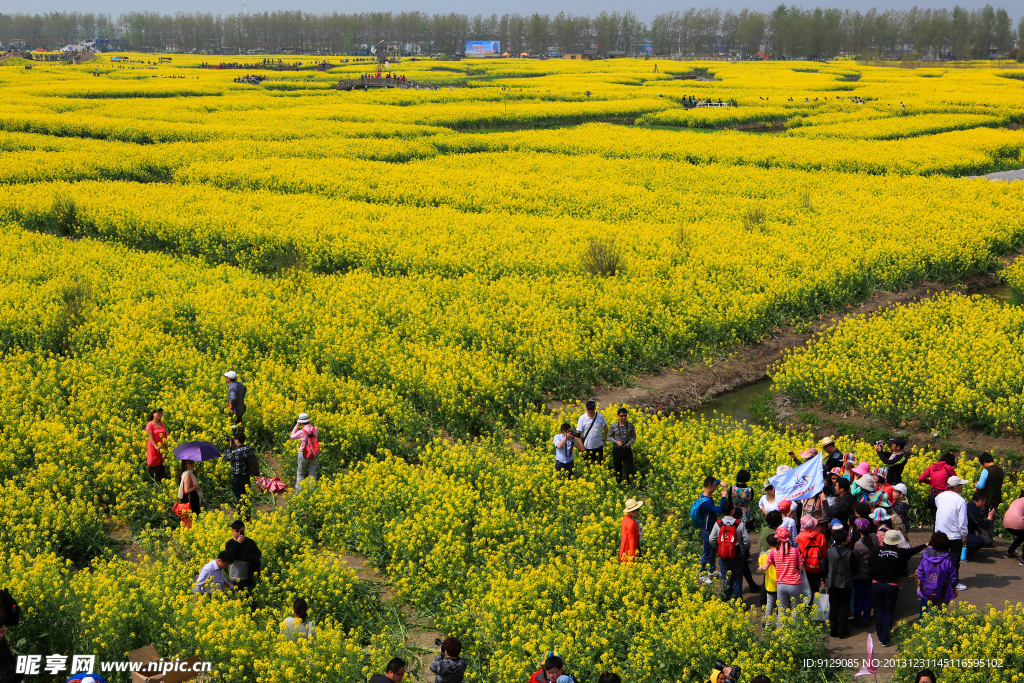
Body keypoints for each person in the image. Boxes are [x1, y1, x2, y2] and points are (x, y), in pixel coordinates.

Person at [871, 530, 926, 646]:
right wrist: (925, 545)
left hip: (876, 584)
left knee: (880, 611)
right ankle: (885, 638)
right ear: (896, 542)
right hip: (892, 586)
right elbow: (912, 551)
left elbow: (871, 565)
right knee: (888, 612)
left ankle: (880, 635)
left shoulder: (877, 550)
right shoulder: (900, 552)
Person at [764, 526, 805, 625]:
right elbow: (801, 568)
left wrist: (760, 567)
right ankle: (795, 634)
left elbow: (765, 568)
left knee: (782, 612)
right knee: (796, 611)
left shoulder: (773, 552)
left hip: (781, 585)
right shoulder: (795, 551)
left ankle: (782, 636)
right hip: (795, 584)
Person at [935, 475, 969, 591]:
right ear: (956, 487)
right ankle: (953, 583)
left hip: (939, 533)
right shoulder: (960, 500)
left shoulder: (939, 497)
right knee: (954, 560)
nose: (962, 487)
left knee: (940, 557)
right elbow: (962, 520)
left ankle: (939, 580)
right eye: (960, 485)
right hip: (954, 535)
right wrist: (964, 534)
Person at [710, 500, 750, 600]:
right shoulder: (739, 524)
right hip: (738, 556)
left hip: (723, 556)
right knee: (737, 580)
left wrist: (719, 547)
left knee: (726, 579)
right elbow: (747, 540)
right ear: (732, 511)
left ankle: (726, 601)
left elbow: (711, 539)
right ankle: (738, 603)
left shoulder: (718, 524)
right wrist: (742, 550)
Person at [730, 470, 759, 593]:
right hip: (746, 515)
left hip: (735, 513)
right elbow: (750, 500)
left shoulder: (732, 489)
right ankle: (745, 554)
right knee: (745, 535)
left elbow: (729, 500)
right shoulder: (749, 490)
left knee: (735, 534)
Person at [917, 532, 958, 616]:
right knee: (939, 614)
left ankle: (923, 627)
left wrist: (918, 586)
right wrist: (954, 589)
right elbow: (953, 576)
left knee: (924, 612)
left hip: (925, 590)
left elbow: (920, 573)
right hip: (943, 591)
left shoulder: (925, 556)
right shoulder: (948, 559)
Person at [695, 477, 728, 580]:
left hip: (711, 529)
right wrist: (723, 497)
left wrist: (719, 482)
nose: (716, 487)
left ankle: (711, 571)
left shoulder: (704, 494)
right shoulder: (706, 502)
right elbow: (720, 510)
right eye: (714, 486)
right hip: (707, 530)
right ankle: (702, 574)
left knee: (713, 551)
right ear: (709, 487)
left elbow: (712, 482)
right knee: (707, 552)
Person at [825, 527, 854, 638]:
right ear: (843, 541)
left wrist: (824, 579)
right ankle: (842, 631)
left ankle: (833, 630)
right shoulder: (850, 553)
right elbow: (854, 568)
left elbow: (826, 567)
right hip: (846, 583)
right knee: (844, 607)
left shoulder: (829, 552)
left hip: (832, 582)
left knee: (833, 606)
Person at [224, 520, 262, 591]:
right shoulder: (229, 544)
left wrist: (250, 560)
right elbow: (230, 556)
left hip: (248, 578)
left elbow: (258, 554)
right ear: (232, 531)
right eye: (237, 531)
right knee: (236, 600)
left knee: (250, 600)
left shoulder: (250, 542)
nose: (239, 534)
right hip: (234, 578)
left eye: (241, 531)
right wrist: (238, 543)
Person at [851, 517, 875, 626]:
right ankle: (866, 618)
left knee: (858, 598)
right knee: (868, 596)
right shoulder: (873, 538)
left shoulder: (858, 545)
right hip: (870, 574)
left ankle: (857, 618)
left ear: (858, 529)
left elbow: (854, 559)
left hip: (859, 575)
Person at [796, 515, 826, 595]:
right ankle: (815, 604)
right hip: (817, 565)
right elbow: (824, 553)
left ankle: (806, 605)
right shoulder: (821, 536)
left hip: (805, 566)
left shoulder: (800, 537)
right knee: (815, 587)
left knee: (805, 587)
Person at [289, 413, 318, 494]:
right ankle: (312, 492)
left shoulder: (302, 431)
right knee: (312, 474)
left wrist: (297, 426)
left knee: (300, 473)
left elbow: (292, 437)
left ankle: (299, 492)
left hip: (303, 454)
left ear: (301, 422)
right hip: (314, 453)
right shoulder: (315, 429)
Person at [607, 408, 636, 484]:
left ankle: (630, 486)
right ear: (618, 416)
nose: (623, 417)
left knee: (629, 469)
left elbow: (634, 437)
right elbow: (608, 437)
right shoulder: (614, 426)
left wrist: (629, 443)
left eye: (625, 416)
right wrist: (616, 442)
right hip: (617, 450)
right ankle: (619, 485)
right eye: (622, 416)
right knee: (617, 469)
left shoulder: (630, 425)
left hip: (627, 450)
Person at [223, 434, 255, 502]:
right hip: (246, 476)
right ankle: (247, 511)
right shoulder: (249, 449)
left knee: (239, 497)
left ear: (237, 440)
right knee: (246, 495)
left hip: (237, 477)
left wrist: (230, 446)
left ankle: (241, 511)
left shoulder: (235, 452)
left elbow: (225, 457)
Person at [965, 490, 996, 556]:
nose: (984, 503)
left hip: (961, 531)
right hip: (962, 534)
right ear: (980, 501)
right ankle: (963, 553)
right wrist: (989, 517)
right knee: (981, 541)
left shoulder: (966, 505)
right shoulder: (974, 510)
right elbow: (983, 526)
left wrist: (988, 519)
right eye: (984, 501)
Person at [758, 534, 779, 623]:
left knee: (770, 603)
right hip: (781, 584)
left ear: (767, 543)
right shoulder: (781, 553)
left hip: (770, 584)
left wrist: (760, 559)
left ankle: (767, 623)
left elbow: (762, 569)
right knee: (781, 604)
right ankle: (781, 622)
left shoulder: (765, 555)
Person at [145, 409, 168, 482]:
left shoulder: (161, 424)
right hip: (154, 448)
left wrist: (172, 443)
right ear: (153, 414)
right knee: (155, 466)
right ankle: (154, 484)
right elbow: (150, 438)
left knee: (162, 466)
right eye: (158, 413)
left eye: (161, 413)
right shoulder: (150, 424)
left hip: (163, 448)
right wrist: (156, 447)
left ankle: (162, 484)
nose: (160, 415)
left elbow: (167, 435)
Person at [1001, 489, 1024, 561]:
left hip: (1006, 523)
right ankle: (1023, 560)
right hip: (1017, 523)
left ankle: (1009, 552)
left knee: (1022, 536)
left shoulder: (1017, 500)